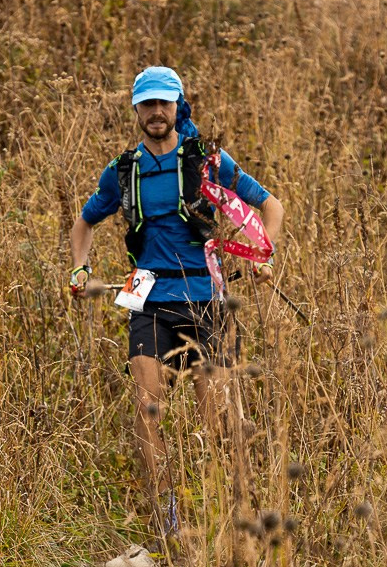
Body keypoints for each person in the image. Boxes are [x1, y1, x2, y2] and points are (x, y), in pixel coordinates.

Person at [67, 66, 284, 540]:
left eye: (165, 103)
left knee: (219, 419)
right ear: (137, 111)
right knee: (147, 409)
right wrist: (80, 268)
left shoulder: (206, 161)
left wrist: (264, 254)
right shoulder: (123, 170)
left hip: (207, 299)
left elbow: (270, 205)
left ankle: (230, 512)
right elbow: (83, 224)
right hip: (147, 298)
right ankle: (168, 519)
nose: (157, 112)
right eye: (148, 104)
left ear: (178, 105)